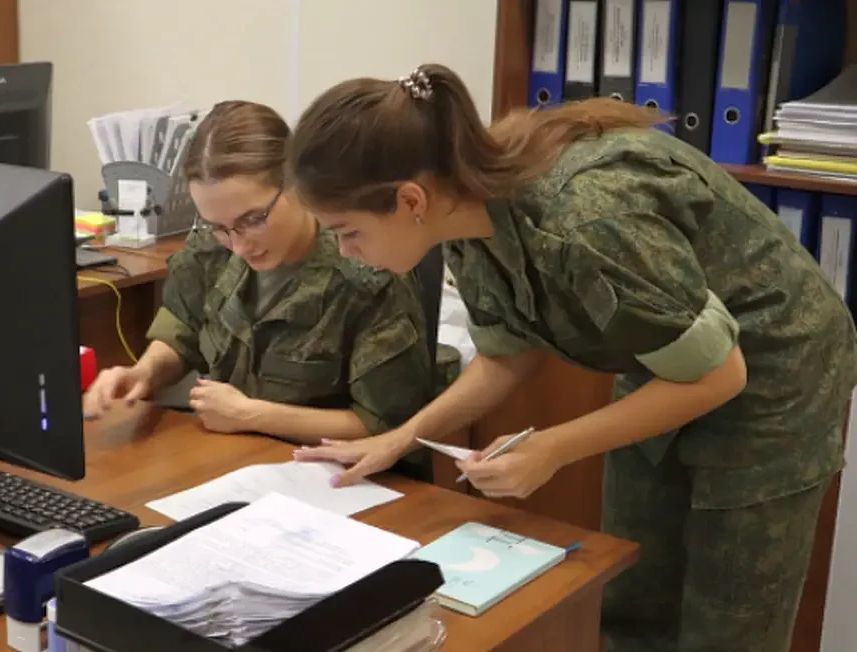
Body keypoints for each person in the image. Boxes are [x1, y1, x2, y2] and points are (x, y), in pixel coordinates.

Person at [286, 64, 857, 651]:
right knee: (633, 599)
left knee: (728, 624)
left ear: (412, 199)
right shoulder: (461, 216)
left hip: (775, 367)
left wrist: (552, 448)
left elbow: (719, 374)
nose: (345, 252)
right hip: (664, 356)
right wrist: (400, 439)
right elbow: (507, 355)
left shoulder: (585, 218)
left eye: (348, 232)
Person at [83, 100, 434, 447]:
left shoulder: (366, 270)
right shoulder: (211, 248)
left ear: (295, 183)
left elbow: (387, 425)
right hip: (233, 458)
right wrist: (144, 373)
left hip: (332, 471)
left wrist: (252, 415)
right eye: (218, 227)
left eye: (253, 219)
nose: (238, 245)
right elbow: (183, 329)